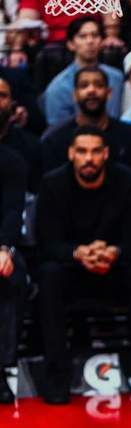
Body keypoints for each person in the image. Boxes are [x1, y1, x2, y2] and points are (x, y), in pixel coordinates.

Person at [35, 126, 131, 404]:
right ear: (71, 154)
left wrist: (114, 252)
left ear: (106, 154)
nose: (88, 158)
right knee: (48, 274)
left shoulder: (130, 182)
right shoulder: (52, 184)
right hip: (72, 269)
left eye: (95, 151)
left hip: (116, 268)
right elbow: (47, 243)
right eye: (82, 151)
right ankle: (57, 374)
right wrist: (79, 253)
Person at [41, 66, 131, 175]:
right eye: (84, 86)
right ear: (74, 95)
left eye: (99, 85)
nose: (91, 90)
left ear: (109, 93)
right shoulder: (54, 140)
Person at [43, 17, 124, 126]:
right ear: (71, 44)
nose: (90, 41)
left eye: (95, 35)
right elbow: (58, 131)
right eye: (83, 36)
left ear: (101, 41)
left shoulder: (116, 78)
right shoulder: (58, 88)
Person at [0, 146, 27, 405]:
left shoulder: (10, 160)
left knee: (9, 272)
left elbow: (12, 212)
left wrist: (4, 249)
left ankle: (1, 367)